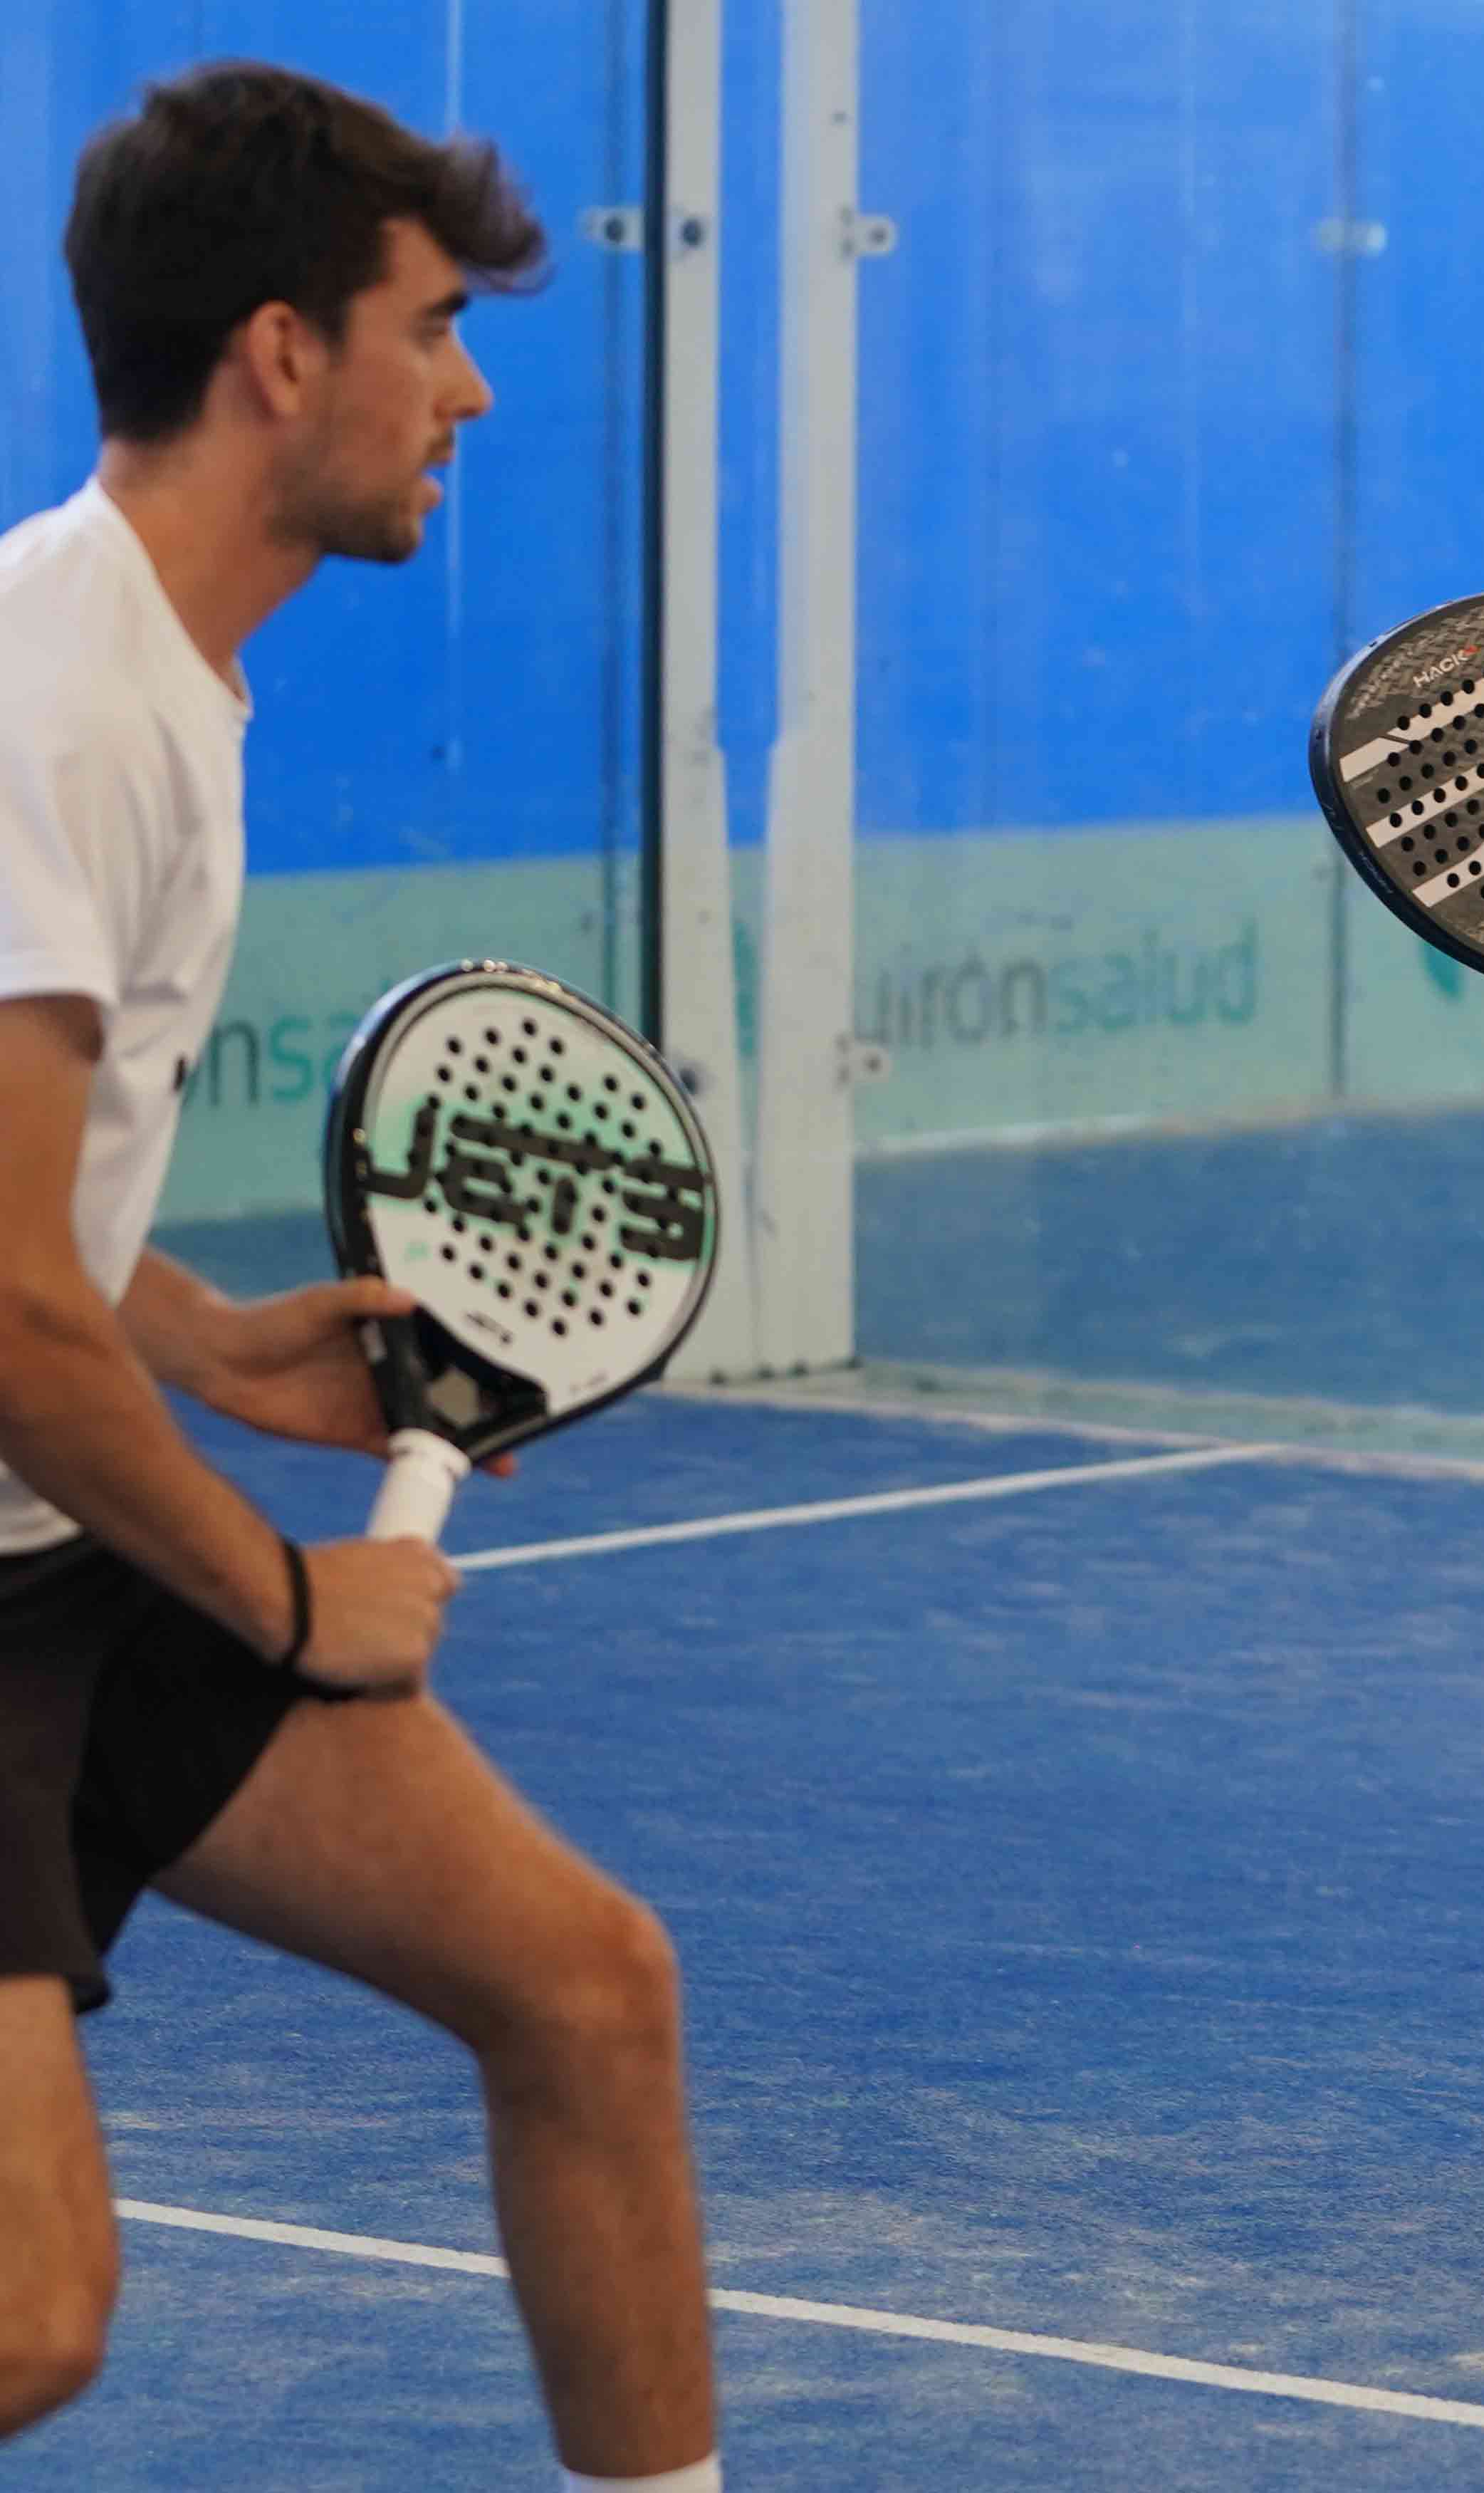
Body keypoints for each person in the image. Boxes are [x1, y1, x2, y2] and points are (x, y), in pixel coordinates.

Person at [0, 64, 723, 2487]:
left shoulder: (156, 675)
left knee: (586, 1987)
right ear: (283, 354)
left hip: (52, 1557)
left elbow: (33, 1239)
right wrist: (293, 1598)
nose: (473, 392)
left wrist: (206, 1338)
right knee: (25, 2314)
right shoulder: (52, 704)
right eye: (434, 327)